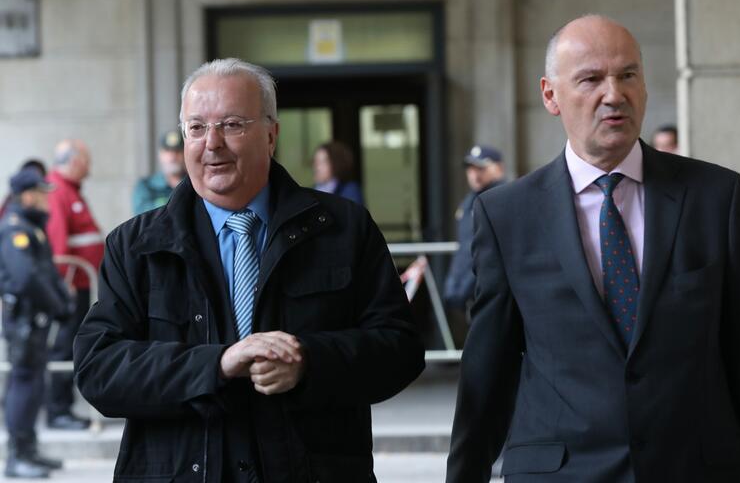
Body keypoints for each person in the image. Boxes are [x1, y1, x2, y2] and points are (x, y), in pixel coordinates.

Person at [446, 15, 740, 482]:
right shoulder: (507, 215)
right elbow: (487, 371)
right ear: (550, 95)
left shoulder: (714, 197)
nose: (614, 94)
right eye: (591, 79)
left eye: (627, 75)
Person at [73, 58, 425, 481]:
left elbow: (400, 349)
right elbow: (99, 369)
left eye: (232, 125)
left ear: (271, 134)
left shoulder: (343, 229)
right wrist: (216, 364)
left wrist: (308, 362)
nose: (212, 143)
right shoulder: (135, 246)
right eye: (196, 127)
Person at [0, 167, 71, 478]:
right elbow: (26, 277)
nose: (46, 199)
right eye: (42, 193)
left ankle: (29, 449)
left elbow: (45, 271)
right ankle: (17, 456)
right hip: (24, 321)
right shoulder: (15, 229)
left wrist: (63, 302)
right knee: (24, 383)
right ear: (27, 196)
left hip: (35, 319)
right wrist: (57, 304)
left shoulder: (31, 227)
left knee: (33, 383)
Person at [45, 139, 103, 430]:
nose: (89, 166)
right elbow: (57, 243)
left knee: (71, 345)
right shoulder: (57, 191)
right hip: (70, 286)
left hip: (79, 283)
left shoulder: (69, 190)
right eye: (86, 160)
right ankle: (58, 411)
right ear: (74, 161)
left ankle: (61, 408)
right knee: (64, 348)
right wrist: (62, 281)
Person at [443, 145, 505, 313]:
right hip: (471, 290)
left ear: (499, 168)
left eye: (481, 168)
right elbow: (465, 248)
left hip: (493, 290)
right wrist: (455, 283)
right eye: (471, 169)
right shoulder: (469, 202)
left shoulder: (504, 198)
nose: (475, 175)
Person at [132, 129, 186, 214]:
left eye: (177, 151)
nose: (172, 157)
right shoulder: (146, 186)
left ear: (185, 154)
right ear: (160, 154)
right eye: (167, 151)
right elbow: (143, 216)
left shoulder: (195, 183)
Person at [312, 140, 365, 205]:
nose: (317, 167)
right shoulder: (311, 192)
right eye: (316, 162)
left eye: (322, 162)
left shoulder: (349, 190)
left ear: (336, 164)